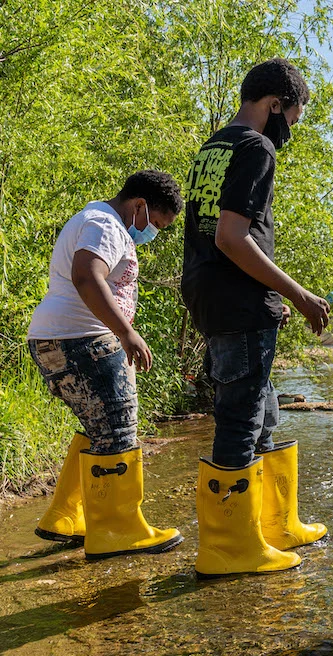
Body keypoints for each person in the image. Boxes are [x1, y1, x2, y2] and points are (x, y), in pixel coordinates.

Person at [181, 58, 329, 578]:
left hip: (216, 294)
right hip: (236, 301)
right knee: (241, 418)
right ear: (274, 106)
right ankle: (228, 548)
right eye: (294, 115)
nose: (293, 127)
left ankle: (272, 526)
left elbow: (211, 239)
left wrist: (271, 294)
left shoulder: (212, 147)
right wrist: (302, 294)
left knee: (262, 409)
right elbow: (231, 236)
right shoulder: (256, 147)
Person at [27, 170, 185, 560]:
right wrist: (126, 333)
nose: (154, 233)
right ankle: (119, 531)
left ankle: (64, 515)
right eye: (157, 224)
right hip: (83, 338)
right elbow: (86, 276)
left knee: (98, 427)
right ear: (139, 206)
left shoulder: (92, 219)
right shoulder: (106, 225)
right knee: (118, 430)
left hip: (57, 338)